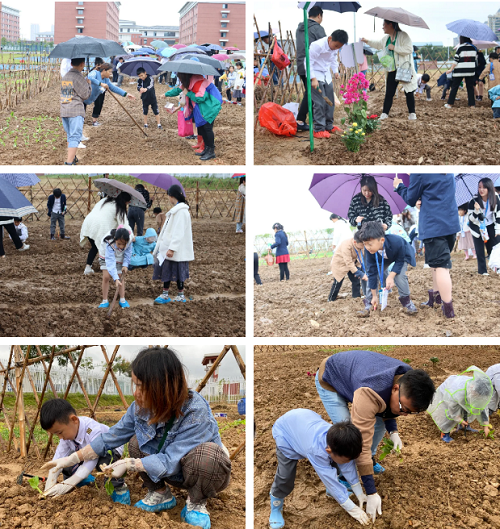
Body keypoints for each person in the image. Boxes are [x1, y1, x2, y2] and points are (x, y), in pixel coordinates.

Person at [41, 347, 231, 527]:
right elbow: (112, 435)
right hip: (165, 471)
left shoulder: (195, 412)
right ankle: (161, 493)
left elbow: (172, 458)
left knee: (208, 456)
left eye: (141, 386)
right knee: (136, 441)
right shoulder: (140, 409)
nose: (135, 393)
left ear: (162, 387)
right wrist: (74, 458)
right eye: (134, 384)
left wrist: (132, 464)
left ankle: (196, 503)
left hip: (197, 472)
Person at [315, 350, 435, 523]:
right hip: (331, 377)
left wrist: (393, 432)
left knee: (378, 425)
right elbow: (360, 442)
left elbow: (389, 408)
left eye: (410, 413)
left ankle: (369, 461)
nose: (404, 415)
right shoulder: (370, 392)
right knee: (348, 434)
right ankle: (341, 477)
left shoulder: (406, 378)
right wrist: (371, 492)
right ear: (395, 388)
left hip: (356, 376)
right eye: (404, 409)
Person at [269, 410, 369, 528]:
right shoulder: (316, 451)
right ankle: (276, 506)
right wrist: (352, 509)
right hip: (286, 433)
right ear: (329, 451)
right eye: (347, 460)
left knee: (338, 461)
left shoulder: (339, 438)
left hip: (303, 422)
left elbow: (347, 465)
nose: (348, 463)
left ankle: (331, 493)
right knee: (285, 476)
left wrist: (359, 492)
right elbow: (329, 480)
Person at [394, 174, 460, 318]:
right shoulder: (448, 172)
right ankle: (435, 298)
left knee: (441, 266)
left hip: (433, 225)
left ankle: (448, 309)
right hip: (450, 223)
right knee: (436, 265)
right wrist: (422, 199)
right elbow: (436, 192)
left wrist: (399, 186)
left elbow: (410, 199)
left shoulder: (419, 173)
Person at [40, 398, 127, 503]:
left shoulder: (92, 430)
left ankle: (119, 489)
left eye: (60, 432)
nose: (60, 437)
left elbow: (93, 457)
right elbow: (59, 458)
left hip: (109, 450)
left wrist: (71, 481)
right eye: (56, 434)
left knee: (104, 463)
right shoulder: (67, 434)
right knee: (66, 462)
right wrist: (49, 484)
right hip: (84, 454)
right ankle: (82, 481)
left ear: (74, 420)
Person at [362, 21, 418, 121]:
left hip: (403, 68)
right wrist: (367, 41)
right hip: (391, 69)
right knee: (389, 92)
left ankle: (412, 113)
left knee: (408, 91)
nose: (382, 27)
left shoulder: (403, 36)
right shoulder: (386, 38)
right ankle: (385, 113)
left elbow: (409, 49)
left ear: (390, 25)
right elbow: (378, 44)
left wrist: (395, 48)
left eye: (384, 25)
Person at [359, 221, 418, 314]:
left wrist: (391, 276)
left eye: (370, 244)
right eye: (364, 244)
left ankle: (407, 302)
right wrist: (374, 296)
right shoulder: (369, 250)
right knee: (371, 274)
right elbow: (372, 272)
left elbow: (400, 261)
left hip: (401, 256)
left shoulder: (397, 242)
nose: (367, 247)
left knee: (399, 275)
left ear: (381, 240)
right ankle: (369, 302)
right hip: (383, 257)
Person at [164, 72, 222, 162]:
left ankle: (211, 151)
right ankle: (206, 149)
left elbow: (201, 98)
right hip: (203, 106)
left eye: (180, 77)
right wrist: (166, 94)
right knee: (201, 127)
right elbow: (179, 90)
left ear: (184, 76)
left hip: (211, 105)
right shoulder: (189, 82)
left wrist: (188, 93)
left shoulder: (198, 81)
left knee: (207, 128)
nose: (179, 79)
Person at [427, 366, 493, 443]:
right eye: (476, 395)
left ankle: (464, 426)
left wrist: (485, 426)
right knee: (448, 413)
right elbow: (452, 410)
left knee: (468, 407)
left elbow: (482, 407)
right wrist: (460, 420)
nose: (477, 397)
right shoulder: (458, 392)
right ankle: (444, 433)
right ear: (472, 388)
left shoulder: (479, 391)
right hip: (448, 392)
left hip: (460, 394)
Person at [152, 185, 194, 304]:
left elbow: (178, 232)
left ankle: (180, 295)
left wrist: (172, 248)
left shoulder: (181, 212)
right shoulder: (176, 211)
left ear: (172, 196)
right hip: (169, 247)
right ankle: (165, 294)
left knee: (178, 271)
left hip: (176, 249)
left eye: (168, 197)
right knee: (167, 270)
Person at [308, 30, 348, 138]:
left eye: (339, 47)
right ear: (330, 39)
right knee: (320, 102)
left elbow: (333, 59)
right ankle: (318, 129)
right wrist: (313, 78)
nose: (336, 48)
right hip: (315, 73)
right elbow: (308, 62)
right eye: (336, 45)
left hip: (326, 74)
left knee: (330, 101)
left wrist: (335, 71)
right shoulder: (317, 46)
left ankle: (329, 126)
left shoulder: (335, 48)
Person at [80, 192, 132, 275]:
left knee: (94, 247)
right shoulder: (119, 207)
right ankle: (107, 267)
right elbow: (124, 225)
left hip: (89, 223)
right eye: (128, 202)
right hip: (100, 226)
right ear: (126, 201)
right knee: (106, 247)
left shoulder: (105, 200)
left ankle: (88, 267)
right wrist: (131, 236)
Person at [60, 57, 91, 165]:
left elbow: (66, 96)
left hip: (65, 110)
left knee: (70, 135)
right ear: (82, 64)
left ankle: (72, 158)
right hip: (76, 111)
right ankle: (69, 163)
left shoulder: (66, 76)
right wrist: (88, 84)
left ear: (72, 63)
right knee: (75, 137)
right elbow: (86, 95)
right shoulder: (78, 77)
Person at [85, 62, 135, 128]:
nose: (111, 73)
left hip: (95, 95)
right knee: (80, 113)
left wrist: (126, 94)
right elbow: (90, 78)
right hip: (84, 95)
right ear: (104, 71)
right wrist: (101, 84)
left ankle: (94, 121)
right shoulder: (95, 73)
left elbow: (114, 88)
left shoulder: (106, 80)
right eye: (109, 72)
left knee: (99, 103)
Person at [467, 177, 500, 275]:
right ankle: (482, 271)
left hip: (491, 225)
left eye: (484, 187)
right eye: (479, 187)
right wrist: (476, 211)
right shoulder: (473, 200)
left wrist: (498, 229)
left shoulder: (495, 197)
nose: (481, 190)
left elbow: (499, 214)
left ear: (489, 188)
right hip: (477, 227)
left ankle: (497, 267)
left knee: (495, 247)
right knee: (480, 249)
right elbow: (471, 219)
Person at [98, 226, 133, 309]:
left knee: (120, 276)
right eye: (119, 244)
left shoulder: (129, 241)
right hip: (106, 256)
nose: (121, 246)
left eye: (123, 244)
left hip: (119, 256)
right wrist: (115, 278)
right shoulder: (109, 242)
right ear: (115, 239)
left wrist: (125, 265)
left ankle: (122, 299)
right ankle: (105, 300)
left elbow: (128, 254)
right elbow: (110, 262)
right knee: (106, 277)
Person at [328, 231, 367, 302]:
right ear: (355, 242)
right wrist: (359, 273)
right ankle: (331, 299)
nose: (363, 246)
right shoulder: (346, 245)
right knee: (338, 282)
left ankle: (356, 297)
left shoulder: (362, 246)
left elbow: (360, 258)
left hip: (353, 263)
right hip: (340, 263)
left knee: (356, 280)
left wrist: (358, 269)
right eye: (362, 245)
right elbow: (348, 262)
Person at [445, 36, 478, 109]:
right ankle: (472, 105)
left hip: (460, 70)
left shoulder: (460, 47)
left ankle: (450, 104)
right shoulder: (474, 48)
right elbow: (475, 59)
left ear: (462, 39)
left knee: (454, 87)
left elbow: (456, 60)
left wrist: (451, 69)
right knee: (470, 88)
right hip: (470, 70)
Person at [484, 363, 500, 438]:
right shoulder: (498, 373)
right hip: (489, 384)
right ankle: (486, 420)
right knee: (490, 402)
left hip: (495, 383)